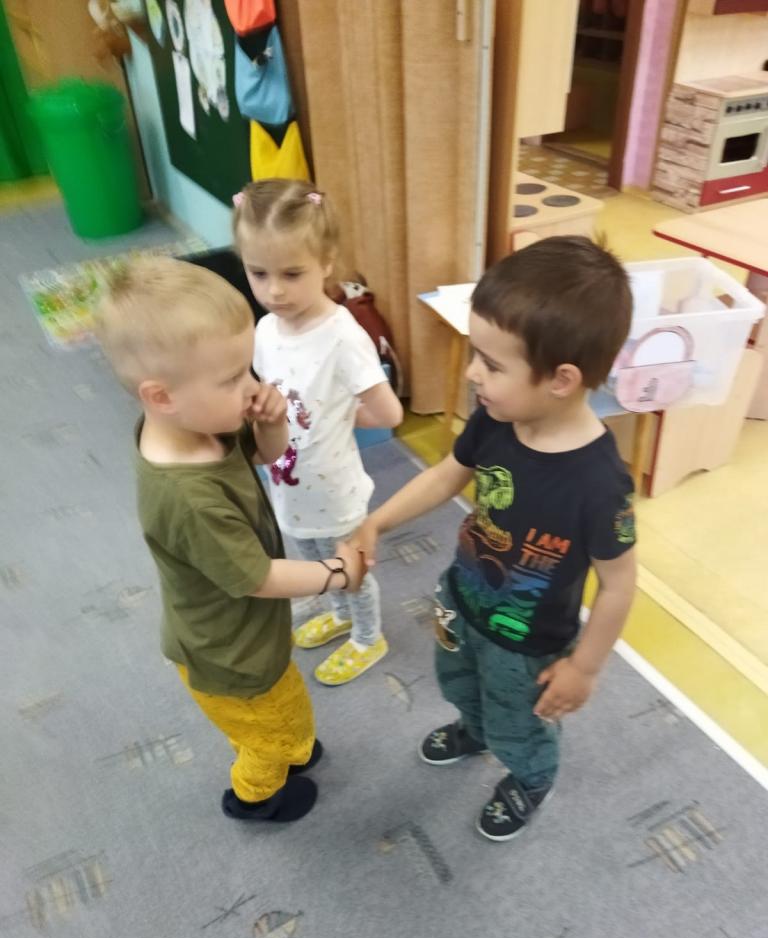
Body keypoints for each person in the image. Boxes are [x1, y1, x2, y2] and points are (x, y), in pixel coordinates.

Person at [352, 236, 637, 842]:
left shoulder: (599, 483)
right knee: (458, 682)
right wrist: (377, 521)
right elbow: (446, 475)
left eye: (492, 363)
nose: (472, 373)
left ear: (561, 379)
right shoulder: (498, 418)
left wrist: (585, 668)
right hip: (463, 599)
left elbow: (618, 585)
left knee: (521, 722)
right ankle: (474, 729)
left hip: (528, 645)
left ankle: (530, 777)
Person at [96, 258, 365, 824]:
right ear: (161, 396)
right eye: (232, 379)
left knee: (283, 708)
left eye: (249, 369)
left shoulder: (200, 426)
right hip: (230, 657)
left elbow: (267, 455)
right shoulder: (187, 498)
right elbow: (260, 577)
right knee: (265, 738)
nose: (252, 387)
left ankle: (292, 743)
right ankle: (255, 796)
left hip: (246, 634)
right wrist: (337, 574)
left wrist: (270, 422)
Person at [233, 179, 403, 686]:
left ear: (327, 261)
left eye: (292, 273)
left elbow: (389, 413)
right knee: (308, 553)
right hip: (289, 480)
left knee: (350, 567)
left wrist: (338, 417)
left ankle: (368, 637)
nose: (274, 290)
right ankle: (338, 613)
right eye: (258, 273)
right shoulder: (266, 329)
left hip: (335, 489)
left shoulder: (342, 336)